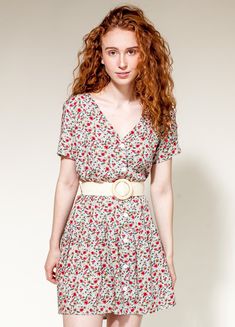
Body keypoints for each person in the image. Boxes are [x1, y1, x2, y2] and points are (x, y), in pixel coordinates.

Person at [44, 4, 182, 327]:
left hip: (136, 237)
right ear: (101, 56)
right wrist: (54, 245)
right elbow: (66, 182)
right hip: (85, 236)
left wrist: (168, 255)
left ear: (144, 54)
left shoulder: (160, 114)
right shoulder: (78, 109)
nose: (121, 62)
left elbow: (161, 189)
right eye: (112, 51)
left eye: (131, 51)